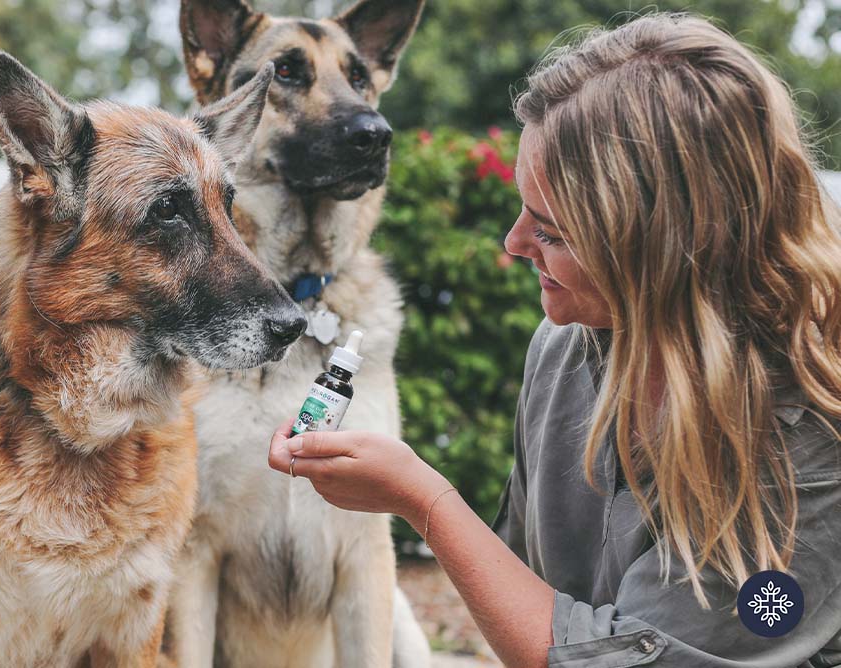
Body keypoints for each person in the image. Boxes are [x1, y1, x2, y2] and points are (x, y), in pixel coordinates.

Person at [267, 13, 841, 667]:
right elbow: (526, 590)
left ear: (663, 252)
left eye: (553, 232)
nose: (513, 245)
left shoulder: (811, 428)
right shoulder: (568, 347)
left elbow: (619, 660)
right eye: (523, 211)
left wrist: (424, 501)